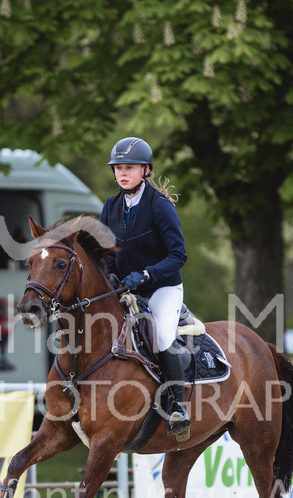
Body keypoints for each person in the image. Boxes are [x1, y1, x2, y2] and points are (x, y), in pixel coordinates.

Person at [99, 136, 190, 437]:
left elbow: (178, 255)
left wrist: (147, 274)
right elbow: (105, 254)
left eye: (130, 168)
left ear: (146, 171)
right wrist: (108, 275)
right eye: (118, 168)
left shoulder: (160, 207)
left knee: (161, 335)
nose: (122, 173)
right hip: (127, 289)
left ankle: (177, 406)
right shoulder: (110, 207)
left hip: (162, 288)